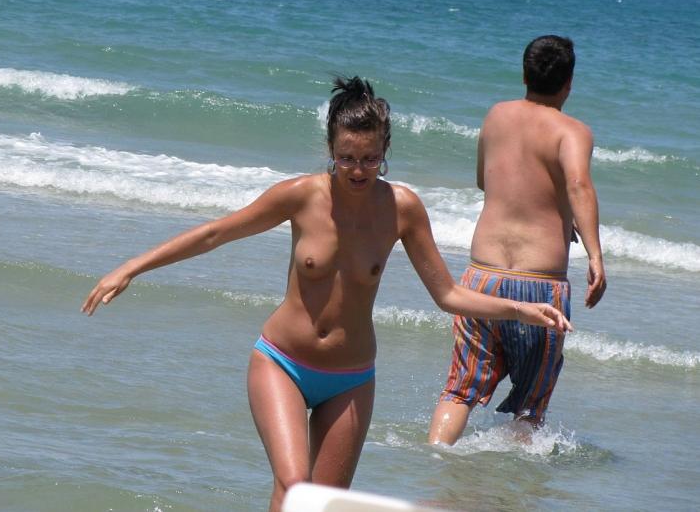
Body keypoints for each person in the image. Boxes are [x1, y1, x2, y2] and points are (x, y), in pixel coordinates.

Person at [82, 76, 571, 512]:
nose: (358, 170)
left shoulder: (402, 208)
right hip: (282, 363)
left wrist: (519, 310)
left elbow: (447, 294)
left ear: (385, 150)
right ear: (330, 148)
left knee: (321, 505)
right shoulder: (300, 195)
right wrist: (132, 267)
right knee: (294, 487)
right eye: (346, 158)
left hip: (352, 379)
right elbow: (216, 233)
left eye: (370, 159)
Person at [428, 35, 606, 446]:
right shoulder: (573, 131)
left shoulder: (496, 116)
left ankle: (435, 457)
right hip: (539, 286)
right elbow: (578, 184)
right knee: (529, 408)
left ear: (524, 75)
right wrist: (595, 255)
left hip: (481, 277)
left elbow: (483, 179)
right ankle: (510, 482)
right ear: (569, 83)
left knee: (459, 391)